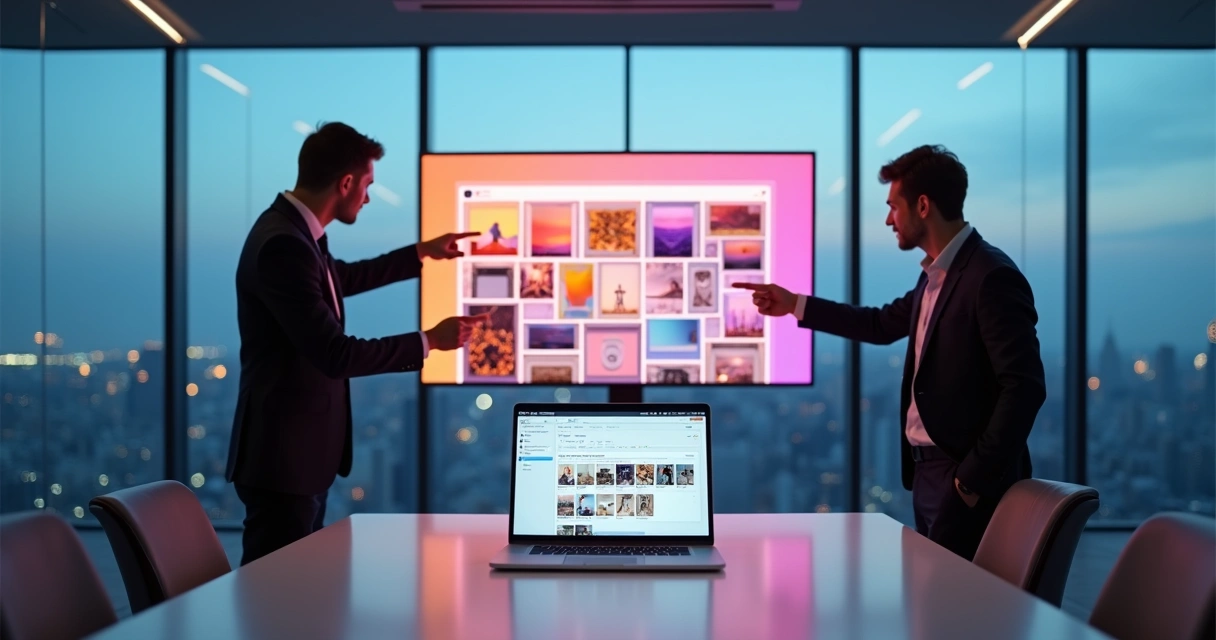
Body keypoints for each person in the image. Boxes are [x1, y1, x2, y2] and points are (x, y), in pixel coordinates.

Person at [733, 144, 1046, 560]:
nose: (887, 219)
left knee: (961, 612)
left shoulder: (990, 277)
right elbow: (878, 324)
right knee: (936, 608)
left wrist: (970, 480)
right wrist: (794, 304)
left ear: (921, 206)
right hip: (929, 475)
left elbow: (1024, 387)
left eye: (892, 206)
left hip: (963, 478)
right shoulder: (935, 277)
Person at [226, 121, 486, 566]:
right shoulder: (283, 245)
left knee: (292, 596)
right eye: (366, 185)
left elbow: (341, 278)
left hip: (297, 458)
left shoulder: (296, 234)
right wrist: (429, 341)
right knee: (276, 599)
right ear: (345, 183)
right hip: (284, 461)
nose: (367, 197)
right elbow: (336, 354)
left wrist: (421, 253)